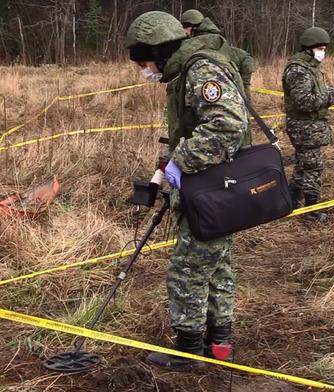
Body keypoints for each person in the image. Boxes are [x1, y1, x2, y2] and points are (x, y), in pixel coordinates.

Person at [126, 10, 250, 369]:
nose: (144, 70)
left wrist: (181, 163)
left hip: (214, 190)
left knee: (188, 270)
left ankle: (189, 350)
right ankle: (219, 344)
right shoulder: (186, 72)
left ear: (161, 52)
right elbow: (187, 129)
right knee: (217, 266)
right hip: (214, 187)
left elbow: (226, 125)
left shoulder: (201, 70)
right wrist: (162, 173)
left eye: (145, 61)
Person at [282, 27, 334, 222]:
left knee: (303, 166)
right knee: (313, 168)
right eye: (320, 48)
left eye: (325, 48)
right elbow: (305, 102)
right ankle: (311, 212)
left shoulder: (311, 68)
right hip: (304, 128)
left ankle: (290, 204)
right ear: (309, 48)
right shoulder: (298, 70)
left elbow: (315, 92)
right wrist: (332, 97)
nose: (323, 52)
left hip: (311, 127)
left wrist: (332, 92)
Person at [179, 9, 256, 101]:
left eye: (185, 27)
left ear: (193, 27)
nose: (184, 32)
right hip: (232, 68)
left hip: (243, 64)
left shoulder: (206, 40)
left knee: (242, 95)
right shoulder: (209, 37)